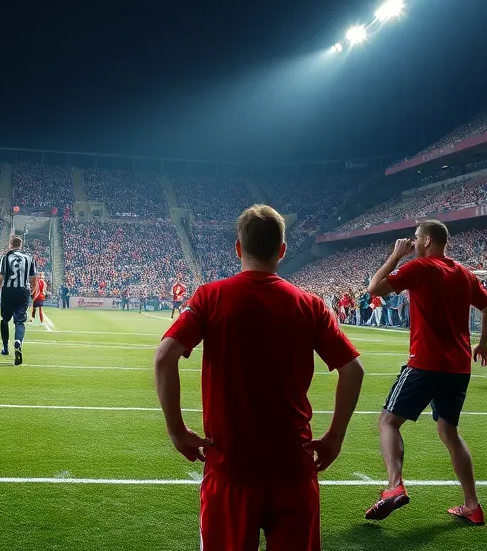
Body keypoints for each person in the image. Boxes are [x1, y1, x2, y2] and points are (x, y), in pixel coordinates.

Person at [154, 205, 364, 550]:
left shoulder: (210, 296)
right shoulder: (310, 305)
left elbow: (165, 357)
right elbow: (353, 369)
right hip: (293, 468)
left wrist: (177, 432)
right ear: (282, 250)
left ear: (238, 248)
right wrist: (334, 437)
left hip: (230, 467)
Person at [365, 220, 487, 527]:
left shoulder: (420, 267)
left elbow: (374, 288)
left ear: (426, 241)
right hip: (458, 366)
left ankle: (394, 486)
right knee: (449, 432)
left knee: (387, 421)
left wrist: (396, 256)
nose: (412, 243)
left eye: (415, 238)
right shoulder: (464, 273)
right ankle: (472, 505)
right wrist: (482, 343)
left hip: (425, 362)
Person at [0, 236, 38, 365]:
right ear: (20, 245)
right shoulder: (29, 258)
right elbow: (34, 278)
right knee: (20, 321)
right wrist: (32, 293)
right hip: (23, 292)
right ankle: (18, 342)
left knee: (4, 319)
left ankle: (5, 348)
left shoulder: (5, 258)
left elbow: (0, 278)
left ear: (10, 245)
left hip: (8, 291)